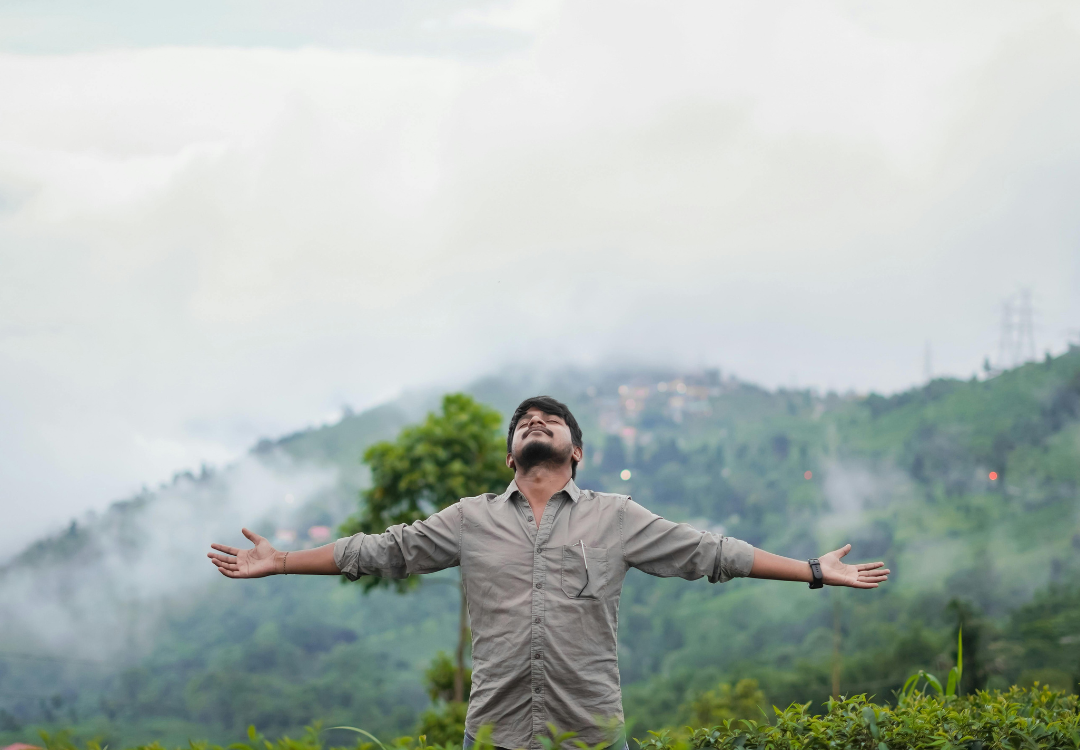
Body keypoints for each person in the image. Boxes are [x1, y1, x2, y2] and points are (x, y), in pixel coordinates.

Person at [208, 395, 888, 750]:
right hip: (495, 734)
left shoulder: (617, 517)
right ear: (511, 456)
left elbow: (711, 553)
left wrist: (814, 572)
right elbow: (379, 551)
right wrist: (284, 562)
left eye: (551, 419)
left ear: (577, 452)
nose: (536, 422)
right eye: (525, 422)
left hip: (591, 734)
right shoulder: (470, 519)